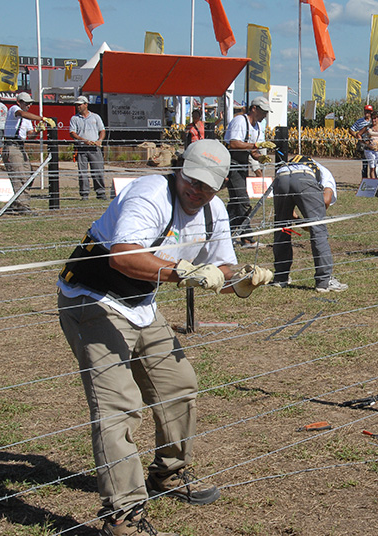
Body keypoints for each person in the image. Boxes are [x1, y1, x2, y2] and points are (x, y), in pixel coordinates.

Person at [57, 140, 273, 536]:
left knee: (179, 385)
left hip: (141, 304)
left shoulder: (214, 212)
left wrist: (243, 279)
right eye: (191, 180)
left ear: (221, 185)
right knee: (119, 406)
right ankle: (123, 516)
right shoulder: (150, 193)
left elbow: (220, 272)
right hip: (92, 298)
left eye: (207, 185)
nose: (196, 190)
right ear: (179, 171)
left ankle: (167, 474)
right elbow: (122, 255)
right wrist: (183, 273)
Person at [270, 155, 348, 292]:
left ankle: (280, 277)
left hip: (280, 176)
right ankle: (324, 281)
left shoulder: (306, 165)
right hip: (304, 178)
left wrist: (299, 220)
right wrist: (312, 222)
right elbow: (325, 201)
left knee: (283, 228)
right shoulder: (327, 175)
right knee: (319, 231)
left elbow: (291, 214)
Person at [224, 96, 275, 247]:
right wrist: (254, 144)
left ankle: (223, 235)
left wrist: (260, 158)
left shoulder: (257, 127)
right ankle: (246, 238)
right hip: (231, 164)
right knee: (243, 202)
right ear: (254, 109)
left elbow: (252, 151)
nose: (265, 115)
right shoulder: (240, 121)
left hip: (242, 165)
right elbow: (233, 143)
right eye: (263, 112)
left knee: (235, 203)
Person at [3, 92, 54, 214]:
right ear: (19, 102)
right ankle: (23, 206)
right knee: (19, 176)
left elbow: (29, 136)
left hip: (20, 147)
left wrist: (37, 131)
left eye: (30, 103)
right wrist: (42, 118)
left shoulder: (27, 120)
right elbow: (22, 114)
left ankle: (16, 203)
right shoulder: (14, 110)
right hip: (11, 146)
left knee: (29, 175)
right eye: (26, 103)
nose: (28, 105)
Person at [69, 95, 107, 200]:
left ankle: (101, 193)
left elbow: (102, 130)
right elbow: (72, 133)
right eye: (77, 105)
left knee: (98, 171)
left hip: (95, 148)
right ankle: (84, 194)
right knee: (82, 173)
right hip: (81, 148)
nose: (78, 107)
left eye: (80, 105)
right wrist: (84, 141)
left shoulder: (96, 117)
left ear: (86, 104)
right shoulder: (74, 118)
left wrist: (100, 141)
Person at [359, 111, 378, 179]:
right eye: (372, 118)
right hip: (369, 150)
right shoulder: (368, 127)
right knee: (372, 168)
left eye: (375, 118)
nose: (373, 120)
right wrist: (364, 142)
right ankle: (374, 183)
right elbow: (359, 134)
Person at [350, 104, 373, 178]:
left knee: (373, 164)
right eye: (366, 111)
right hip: (363, 144)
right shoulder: (360, 121)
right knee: (365, 163)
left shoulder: (374, 120)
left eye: (369, 111)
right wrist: (357, 137)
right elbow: (351, 130)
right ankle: (364, 179)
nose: (367, 113)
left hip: (373, 143)